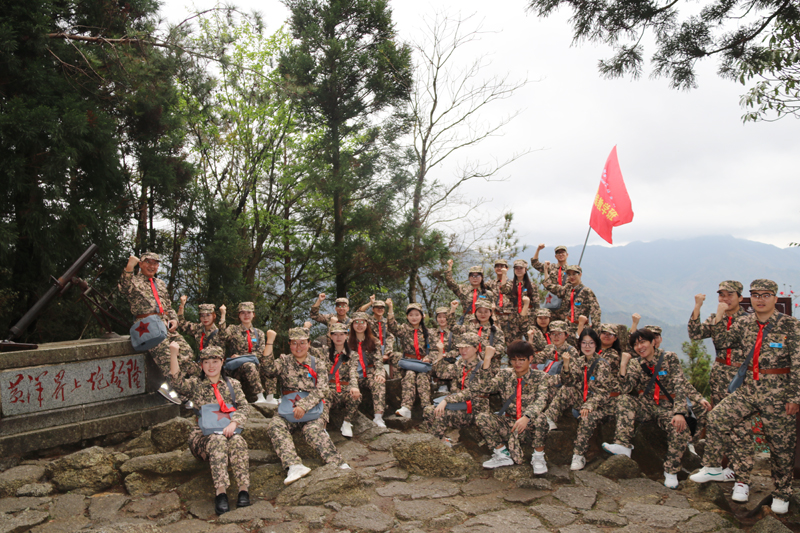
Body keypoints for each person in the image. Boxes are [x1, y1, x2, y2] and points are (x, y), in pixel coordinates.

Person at [689, 279, 799, 514]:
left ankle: (781, 492)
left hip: (777, 393)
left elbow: (798, 364)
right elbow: (722, 342)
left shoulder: (790, 325)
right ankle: (712, 466)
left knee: (780, 446)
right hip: (749, 389)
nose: (760, 299)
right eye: (756, 294)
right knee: (717, 417)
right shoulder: (744, 323)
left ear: (775, 298)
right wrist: (718, 317)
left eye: (766, 294)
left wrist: (794, 397)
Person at [603, 329, 711, 489]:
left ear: (653, 342)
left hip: (667, 406)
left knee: (680, 428)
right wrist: (623, 366)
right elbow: (626, 388)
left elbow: (680, 383)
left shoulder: (669, 358)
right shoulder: (635, 363)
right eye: (636, 344)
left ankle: (671, 471)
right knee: (624, 399)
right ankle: (623, 444)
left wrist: (680, 411)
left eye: (642, 342)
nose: (639, 347)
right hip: (645, 405)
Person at [167, 344, 250, 515]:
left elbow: (244, 407)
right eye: (206, 362)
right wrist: (173, 355)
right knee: (218, 440)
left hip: (228, 431)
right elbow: (176, 382)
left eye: (215, 361)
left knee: (238, 440)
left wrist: (234, 423)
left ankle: (243, 490)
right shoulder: (196, 385)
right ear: (201, 365)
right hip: (202, 438)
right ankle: (221, 494)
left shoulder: (233, 385)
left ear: (222, 362)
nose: (211, 366)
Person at [262, 327, 349, 485]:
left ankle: (338, 463)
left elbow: (322, 388)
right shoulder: (284, 361)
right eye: (294, 343)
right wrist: (269, 342)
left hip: (313, 409)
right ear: (289, 345)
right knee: (275, 426)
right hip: (288, 409)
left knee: (313, 430)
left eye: (302, 343)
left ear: (309, 344)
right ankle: (294, 465)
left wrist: (304, 405)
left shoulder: (318, 364)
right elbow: (268, 370)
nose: (298, 346)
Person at [687, 280, 750, 492]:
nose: (724, 299)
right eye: (721, 295)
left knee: (740, 423)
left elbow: (725, 340)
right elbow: (695, 335)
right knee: (717, 419)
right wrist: (697, 307)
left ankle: (739, 474)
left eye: (730, 295)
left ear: (740, 298)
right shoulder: (715, 317)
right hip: (720, 373)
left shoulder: (748, 319)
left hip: (740, 375)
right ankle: (724, 466)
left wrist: (720, 318)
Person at [119, 252, 198, 404]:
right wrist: (129, 267)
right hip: (147, 325)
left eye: (155, 263)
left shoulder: (160, 283)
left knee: (187, 353)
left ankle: (182, 387)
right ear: (140, 264)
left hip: (165, 324)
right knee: (167, 357)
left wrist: (174, 319)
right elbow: (123, 288)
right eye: (148, 262)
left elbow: (168, 306)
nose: (152, 266)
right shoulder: (133, 281)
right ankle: (177, 393)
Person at [541, 329, 618, 471]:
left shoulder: (602, 364)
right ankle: (549, 418)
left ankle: (578, 454)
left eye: (591, 343)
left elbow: (603, 392)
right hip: (582, 399)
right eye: (584, 343)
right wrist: (565, 366)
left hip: (600, 405)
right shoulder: (578, 362)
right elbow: (568, 381)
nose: (587, 346)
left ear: (596, 345)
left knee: (587, 417)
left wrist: (589, 405)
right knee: (566, 389)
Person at [473, 340, 551, 474]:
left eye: (521, 359)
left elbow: (541, 400)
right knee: (481, 418)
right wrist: (487, 360)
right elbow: (484, 388)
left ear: (530, 359)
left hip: (529, 425)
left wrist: (527, 417)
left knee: (541, 418)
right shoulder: (505, 375)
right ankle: (502, 453)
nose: (517, 363)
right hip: (510, 423)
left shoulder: (540, 377)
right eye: (514, 360)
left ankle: (538, 457)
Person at [425, 333, 495, 446]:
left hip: (474, 410)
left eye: (467, 347)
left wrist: (446, 400)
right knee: (428, 410)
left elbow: (473, 391)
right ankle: (441, 441)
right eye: (461, 347)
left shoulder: (483, 366)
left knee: (441, 414)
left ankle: (435, 447)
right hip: (459, 405)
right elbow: (441, 372)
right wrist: (440, 352)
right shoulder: (460, 363)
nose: (463, 350)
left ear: (476, 348)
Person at [386, 300, 432, 418]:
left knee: (422, 376)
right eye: (411, 315)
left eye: (417, 314)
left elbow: (436, 349)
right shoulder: (404, 329)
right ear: (407, 316)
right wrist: (390, 308)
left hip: (423, 364)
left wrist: (429, 357)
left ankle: (426, 407)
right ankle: (406, 408)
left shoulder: (429, 332)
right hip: (409, 364)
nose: (414, 317)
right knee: (410, 375)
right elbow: (392, 327)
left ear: (422, 316)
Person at [219, 302, 272, 405]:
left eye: (249, 312)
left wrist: (242, 357)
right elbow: (222, 336)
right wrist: (223, 315)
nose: (246, 315)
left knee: (270, 365)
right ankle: (260, 395)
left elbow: (260, 352)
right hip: (237, 369)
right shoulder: (233, 329)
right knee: (249, 365)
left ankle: (270, 396)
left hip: (255, 368)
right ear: (239, 315)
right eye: (243, 313)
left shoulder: (259, 333)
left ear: (253, 314)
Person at [542, 263, 601, 340]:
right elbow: (550, 287)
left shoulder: (586, 291)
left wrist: (595, 332)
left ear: (580, 274)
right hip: (568, 328)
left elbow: (595, 312)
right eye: (569, 274)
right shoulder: (567, 289)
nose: (571, 277)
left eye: (574, 274)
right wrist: (546, 270)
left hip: (581, 327)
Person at [349, 312, 388, 428]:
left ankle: (378, 417)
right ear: (352, 325)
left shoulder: (374, 341)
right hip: (353, 374)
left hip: (369, 373)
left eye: (362, 322)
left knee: (379, 383)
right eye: (356, 322)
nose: (359, 325)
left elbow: (378, 360)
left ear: (367, 324)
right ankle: (348, 421)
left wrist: (380, 373)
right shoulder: (346, 341)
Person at [323, 322, 361, 438]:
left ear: (346, 336)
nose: (338, 337)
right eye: (335, 334)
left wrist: (354, 386)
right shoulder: (323, 352)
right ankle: (322, 427)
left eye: (341, 334)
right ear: (330, 336)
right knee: (322, 397)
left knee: (356, 396)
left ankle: (347, 423)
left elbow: (353, 372)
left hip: (345, 388)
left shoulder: (353, 355)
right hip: (329, 388)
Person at [451, 299, 507, 369]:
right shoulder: (469, 328)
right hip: (469, 366)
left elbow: (500, 349)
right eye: (480, 312)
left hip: (489, 367)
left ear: (490, 313)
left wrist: (482, 355)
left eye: (486, 312)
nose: (483, 314)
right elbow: (453, 328)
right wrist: (453, 309)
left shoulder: (496, 331)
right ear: (475, 313)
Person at [499, 259, 539, 341]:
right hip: (514, 316)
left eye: (521, 268)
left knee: (531, 339)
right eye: (516, 268)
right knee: (515, 341)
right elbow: (503, 290)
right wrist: (504, 274)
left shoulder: (532, 285)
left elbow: (536, 303)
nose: (519, 270)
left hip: (528, 316)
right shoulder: (511, 284)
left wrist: (536, 318)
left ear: (525, 269)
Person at [358, 296, 395, 373]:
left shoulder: (386, 322)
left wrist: (387, 353)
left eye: (382, 308)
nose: (380, 309)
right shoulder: (368, 320)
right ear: (373, 309)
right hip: (371, 351)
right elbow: (358, 313)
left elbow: (390, 337)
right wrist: (370, 303)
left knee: (396, 358)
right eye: (377, 307)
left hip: (385, 350)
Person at [532, 244, 569, 321]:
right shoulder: (550, 267)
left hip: (565, 305)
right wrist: (538, 249)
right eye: (558, 253)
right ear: (555, 256)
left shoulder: (571, 270)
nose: (561, 254)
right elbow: (535, 264)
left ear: (567, 255)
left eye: (563, 252)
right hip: (552, 303)